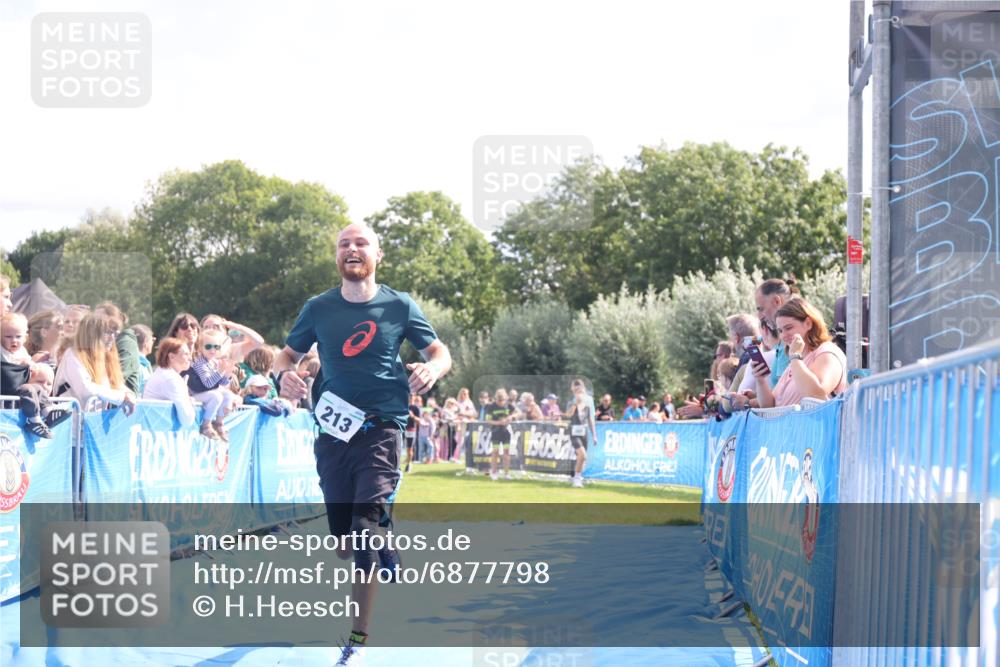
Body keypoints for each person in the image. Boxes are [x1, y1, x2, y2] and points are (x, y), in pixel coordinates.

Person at [274, 222, 451, 665]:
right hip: (334, 434)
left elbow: (439, 352)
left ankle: (358, 637)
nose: (352, 249)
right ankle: (380, 535)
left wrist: (433, 371)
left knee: (364, 528)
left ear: (377, 254)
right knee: (346, 542)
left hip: (382, 428)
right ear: (337, 256)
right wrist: (284, 376)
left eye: (361, 243)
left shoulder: (399, 305)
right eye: (344, 244)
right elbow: (286, 356)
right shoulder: (318, 308)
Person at [751, 297, 847, 408]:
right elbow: (770, 406)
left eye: (789, 328)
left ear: (808, 323)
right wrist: (760, 380)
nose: (783, 335)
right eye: (780, 331)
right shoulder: (796, 361)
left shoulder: (828, 352)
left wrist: (795, 357)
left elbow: (816, 395)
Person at [1, 312, 70, 438]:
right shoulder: (2, 351)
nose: (14, 341)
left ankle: (48, 411)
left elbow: (30, 363)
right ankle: (34, 420)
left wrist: (30, 364)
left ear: (25, 338)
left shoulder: (21, 351)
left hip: (18, 388)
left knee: (37, 388)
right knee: (28, 389)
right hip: (9, 391)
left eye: (18, 337)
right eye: (8, 336)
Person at [53, 312, 137, 414]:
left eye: (114, 333)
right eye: (108, 332)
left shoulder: (105, 359)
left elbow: (116, 385)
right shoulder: (73, 355)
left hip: (92, 425)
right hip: (71, 425)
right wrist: (121, 397)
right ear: (91, 334)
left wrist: (128, 394)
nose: (112, 338)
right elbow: (85, 390)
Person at [187, 328, 238, 441]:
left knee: (228, 394)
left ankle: (218, 422)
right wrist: (220, 371)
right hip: (196, 394)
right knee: (216, 396)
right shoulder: (199, 362)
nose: (213, 350)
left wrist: (227, 375)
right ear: (200, 348)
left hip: (206, 393)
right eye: (208, 346)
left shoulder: (214, 362)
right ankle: (206, 424)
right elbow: (208, 383)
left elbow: (222, 384)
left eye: (216, 347)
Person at [754, 277, 798, 388]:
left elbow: (782, 396)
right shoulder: (783, 342)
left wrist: (749, 402)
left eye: (761, 309)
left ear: (777, 302)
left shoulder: (790, 340)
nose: (759, 316)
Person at [142, 337, 196, 427]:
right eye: (186, 354)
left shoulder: (163, 373)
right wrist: (190, 403)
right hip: (158, 432)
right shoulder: (171, 379)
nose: (190, 358)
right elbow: (187, 420)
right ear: (171, 357)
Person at [94, 302, 143, 395]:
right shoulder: (97, 341)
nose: (95, 323)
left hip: (122, 405)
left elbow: (117, 376)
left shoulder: (126, 342)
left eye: (99, 319)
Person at [199, 313, 266, 365]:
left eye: (216, 326)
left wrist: (237, 327)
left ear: (224, 331)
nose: (212, 330)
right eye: (207, 327)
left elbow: (259, 342)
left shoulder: (232, 349)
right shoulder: (198, 350)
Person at [565, 379, 595, 488]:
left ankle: (577, 477)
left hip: (584, 431)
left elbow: (590, 418)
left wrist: (594, 435)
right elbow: (569, 414)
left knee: (582, 458)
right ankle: (576, 479)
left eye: (580, 389)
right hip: (574, 431)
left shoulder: (588, 402)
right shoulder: (573, 401)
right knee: (582, 455)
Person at [484, 388, 518, 481]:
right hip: (495, 431)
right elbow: (488, 420)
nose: (501, 402)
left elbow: (518, 413)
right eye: (499, 400)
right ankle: (494, 472)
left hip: (506, 432)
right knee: (495, 452)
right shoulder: (491, 406)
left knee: (506, 453)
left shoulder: (509, 406)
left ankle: (506, 473)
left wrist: (511, 417)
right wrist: (499, 423)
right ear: (496, 398)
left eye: (502, 399)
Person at [132, 324, 155, 396]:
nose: (153, 342)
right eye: (152, 339)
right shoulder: (137, 366)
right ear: (146, 342)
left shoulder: (142, 364)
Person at [404, 394, 421, 472]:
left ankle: (409, 464)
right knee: (401, 447)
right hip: (402, 429)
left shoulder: (416, 408)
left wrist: (412, 416)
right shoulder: (404, 406)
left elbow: (419, 420)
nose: (410, 398)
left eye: (412, 397)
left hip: (411, 429)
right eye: (409, 397)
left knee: (409, 448)